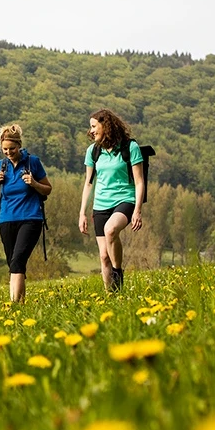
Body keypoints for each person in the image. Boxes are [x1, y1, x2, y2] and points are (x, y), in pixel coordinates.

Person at [78, 108, 145, 292]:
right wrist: (82, 213)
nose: (90, 131)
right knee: (103, 256)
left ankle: (118, 273)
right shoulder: (93, 151)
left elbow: (139, 182)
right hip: (100, 205)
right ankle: (111, 296)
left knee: (110, 230)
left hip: (125, 199)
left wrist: (137, 210)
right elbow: (89, 184)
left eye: (94, 126)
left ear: (105, 125)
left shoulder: (130, 147)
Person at [0, 124, 52, 303]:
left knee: (18, 261)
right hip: (6, 219)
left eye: (12, 148)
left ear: (19, 145)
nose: (9, 152)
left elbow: (48, 189)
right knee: (13, 264)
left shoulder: (32, 162)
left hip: (30, 218)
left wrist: (33, 183)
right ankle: (20, 303)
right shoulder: (0, 165)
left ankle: (15, 306)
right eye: (5, 149)